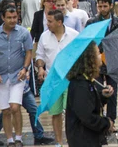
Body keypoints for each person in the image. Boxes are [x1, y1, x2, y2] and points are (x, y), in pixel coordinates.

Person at [0, 8, 33, 147]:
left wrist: (25, 68)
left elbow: (29, 52)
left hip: (18, 75)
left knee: (15, 107)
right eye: (9, 17)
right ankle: (10, 139)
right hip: (1, 76)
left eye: (15, 17)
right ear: (3, 18)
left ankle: (19, 138)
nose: (12, 20)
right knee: (5, 110)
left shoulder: (23, 32)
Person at [35, 9, 79, 147]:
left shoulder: (74, 35)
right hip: (52, 79)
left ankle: (72, 140)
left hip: (70, 78)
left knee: (72, 112)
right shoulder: (44, 36)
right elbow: (39, 56)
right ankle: (59, 143)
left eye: (50, 21)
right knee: (55, 112)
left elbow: (80, 54)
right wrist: (41, 68)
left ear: (59, 22)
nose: (47, 24)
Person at [65, 42, 114, 147]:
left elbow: (90, 103)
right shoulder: (80, 85)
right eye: (97, 53)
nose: (100, 55)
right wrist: (107, 123)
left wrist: (103, 96)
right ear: (90, 59)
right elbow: (87, 116)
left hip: (88, 138)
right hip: (83, 140)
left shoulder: (87, 81)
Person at [86, 0, 118, 132]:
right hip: (97, 62)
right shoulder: (91, 22)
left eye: (105, 6)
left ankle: (111, 121)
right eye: (100, 6)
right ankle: (100, 119)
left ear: (111, 6)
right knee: (98, 91)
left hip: (113, 61)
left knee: (113, 92)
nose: (102, 9)